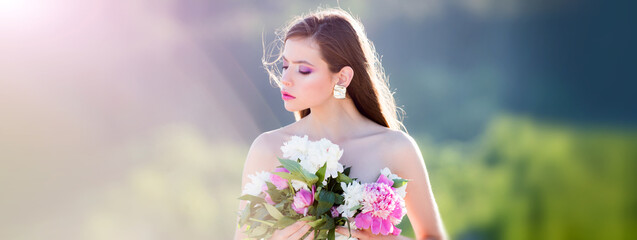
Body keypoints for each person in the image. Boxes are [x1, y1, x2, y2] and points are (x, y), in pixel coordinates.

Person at [234, 7, 447, 240]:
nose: (285, 80)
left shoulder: (396, 147)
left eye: (303, 70)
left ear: (342, 77)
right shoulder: (268, 148)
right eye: (285, 66)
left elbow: (434, 236)